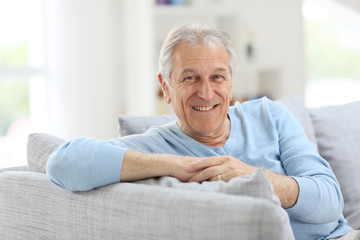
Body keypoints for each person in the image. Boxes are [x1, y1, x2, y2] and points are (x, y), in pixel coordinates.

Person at [47, 22, 358, 240]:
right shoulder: (154, 145)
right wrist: (182, 165)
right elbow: (62, 162)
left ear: (232, 81)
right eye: (190, 78)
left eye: (217, 77)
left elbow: (330, 200)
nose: (207, 93)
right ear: (165, 87)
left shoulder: (270, 114)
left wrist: (256, 178)